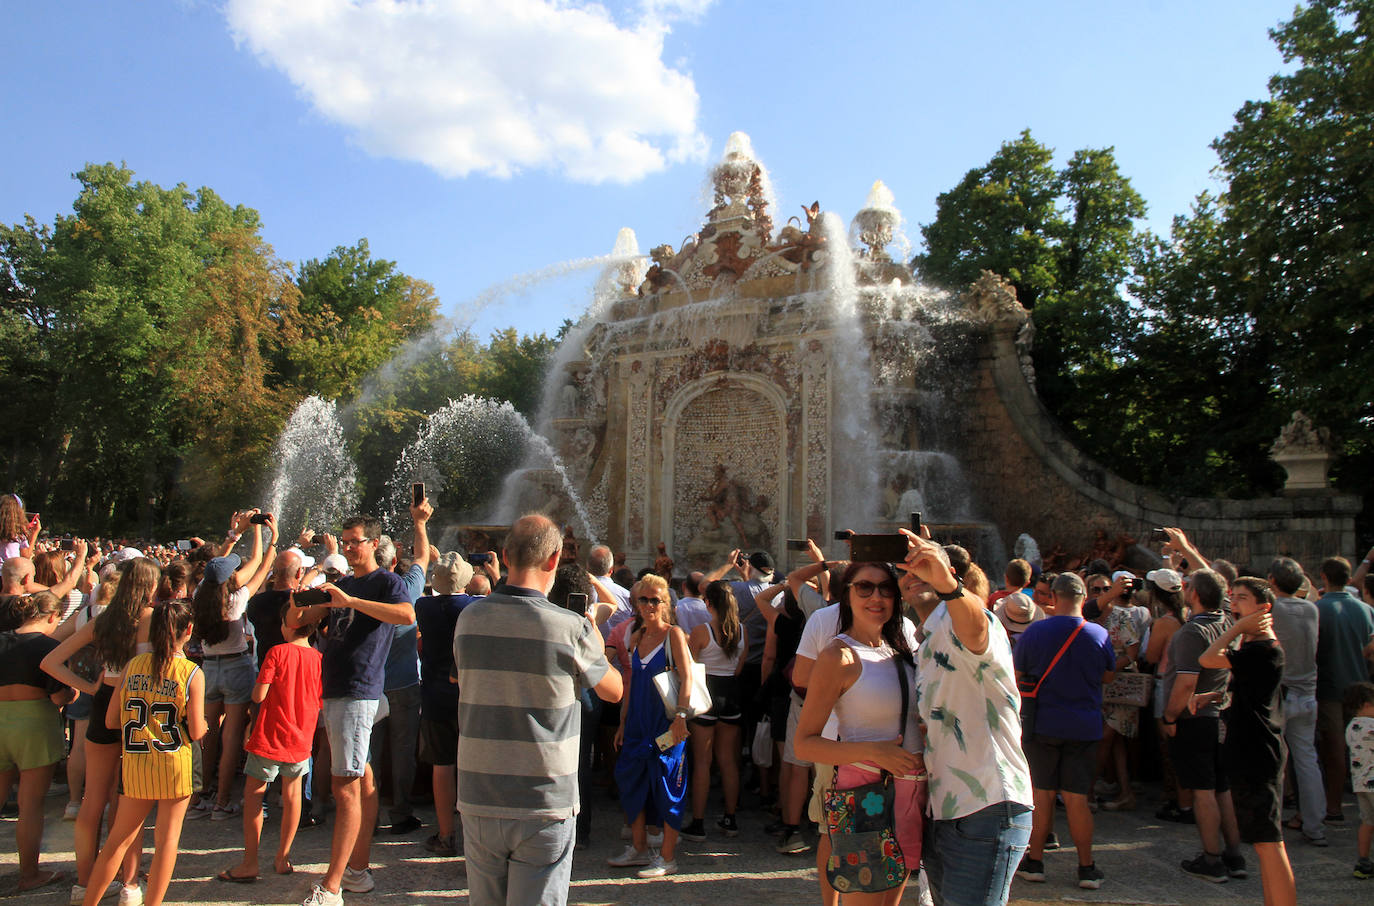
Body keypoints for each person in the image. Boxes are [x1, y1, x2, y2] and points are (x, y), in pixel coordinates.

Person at [452, 513, 622, 906]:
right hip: (543, 799)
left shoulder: (468, 619)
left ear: (506, 556)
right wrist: (592, 632)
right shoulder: (569, 628)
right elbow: (613, 691)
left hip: (479, 794)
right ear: (554, 560)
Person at [287, 515, 416, 906]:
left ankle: (332, 885)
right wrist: (301, 595)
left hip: (359, 691)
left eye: (355, 541)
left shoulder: (387, 582)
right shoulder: (342, 583)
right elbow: (295, 626)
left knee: (345, 785)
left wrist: (351, 602)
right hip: (339, 689)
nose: (348, 547)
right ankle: (357, 872)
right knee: (361, 779)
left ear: (374, 543)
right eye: (345, 542)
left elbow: (407, 616)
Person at [900, 529, 1033, 906]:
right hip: (945, 808)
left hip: (987, 803)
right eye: (906, 571)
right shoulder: (926, 640)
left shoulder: (970, 619)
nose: (912, 576)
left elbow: (975, 628)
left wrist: (946, 583)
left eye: (922, 570)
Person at [794, 561, 926, 906]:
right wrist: (874, 751)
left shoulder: (900, 648)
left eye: (885, 588)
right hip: (865, 790)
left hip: (908, 789)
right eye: (864, 587)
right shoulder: (837, 656)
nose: (876, 596)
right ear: (847, 595)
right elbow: (805, 743)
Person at [43, 557, 160, 906]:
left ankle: (85, 881)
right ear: (150, 587)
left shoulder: (102, 619)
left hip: (104, 698)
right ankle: (129, 885)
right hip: (139, 705)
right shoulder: (151, 619)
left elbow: (49, 660)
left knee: (93, 799)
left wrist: (90, 688)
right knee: (131, 799)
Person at [81, 599, 206, 906]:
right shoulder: (191, 672)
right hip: (175, 762)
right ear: (188, 630)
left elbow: (111, 720)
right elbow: (198, 729)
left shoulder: (131, 666)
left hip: (137, 762)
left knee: (118, 842)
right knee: (166, 843)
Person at [1194, 576, 1295, 905]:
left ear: (1262, 609)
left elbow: (1208, 658)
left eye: (1242, 599)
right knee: (1264, 843)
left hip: (1258, 752)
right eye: (1232, 597)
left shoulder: (1262, 647)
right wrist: (1214, 695)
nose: (1233, 604)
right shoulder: (1255, 649)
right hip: (1251, 749)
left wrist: (1236, 629)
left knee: (1269, 843)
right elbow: (1253, 690)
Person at [1013, 573, 1116, 890]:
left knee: (1041, 796)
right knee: (1077, 799)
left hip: (1042, 723)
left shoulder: (1035, 632)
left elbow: (1018, 675)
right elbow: (1109, 676)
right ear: (1084, 597)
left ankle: (1035, 862)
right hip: (1084, 726)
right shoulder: (1098, 634)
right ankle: (1086, 867)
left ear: (1054, 598)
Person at [219, 601, 323, 883]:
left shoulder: (277, 652)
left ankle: (250, 861)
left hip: (270, 735)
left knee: (254, 795)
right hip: (301, 738)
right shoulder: (318, 658)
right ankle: (283, 857)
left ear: (287, 626)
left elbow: (258, 695)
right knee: (293, 796)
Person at [1161, 567, 1247, 883]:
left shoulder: (1191, 633)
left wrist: (1169, 716)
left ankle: (1212, 859)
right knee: (1221, 787)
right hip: (1220, 714)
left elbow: (1185, 684)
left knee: (1203, 790)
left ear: (1194, 594)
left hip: (1194, 718)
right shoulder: (1227, 622)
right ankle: (1234, 855)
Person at [189, 511, 272, 821]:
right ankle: (223, 801)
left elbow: (214, 570)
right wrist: (263, 534)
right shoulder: (236, 599)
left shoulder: (199, 595)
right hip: (236, 667)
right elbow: (261, 564)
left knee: (206, 735)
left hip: (208, 668)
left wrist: (234, 534)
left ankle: (199, 797)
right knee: (231, 736)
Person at [608, 574, 692, 879]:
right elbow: (631, 685)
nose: (648, 605)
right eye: (643, 599)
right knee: (632, 782)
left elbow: (688, 678)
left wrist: (681, 716)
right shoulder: (636, 636)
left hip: (667, 724)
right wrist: (622, 721)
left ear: (665, 602)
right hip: (637, 724)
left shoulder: (674, 635)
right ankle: (639, 847)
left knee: (669, 786)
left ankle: (668, 857)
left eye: (655, 599)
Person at [0, 591, 77, 892]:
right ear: (52, 617)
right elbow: (59, 696)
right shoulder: (48, 647)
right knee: (30, 805)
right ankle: (29, 873)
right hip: (34, 722)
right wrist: (74, 693)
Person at [414, 550, 475, 856]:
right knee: (472, 767)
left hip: (435, 695)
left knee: (443, 765)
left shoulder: (423, 606)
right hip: (469, 696)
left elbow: (429, 592)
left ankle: (446, 834)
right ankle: (476, 835)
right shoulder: (475, 606)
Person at [681, 579, 748, 841]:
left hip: (707, 695)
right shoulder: (742, 631)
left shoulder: (702, 631)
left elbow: (690, 666)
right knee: (728, 762)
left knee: (703, 763)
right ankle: (730, 819)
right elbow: (740, 667)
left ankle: (698, 822)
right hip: (731, 696)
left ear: (708, 603)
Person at [1266, 556, 1326, 846]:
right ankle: (1315, 825)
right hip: (1307, 692)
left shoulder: (1273, 609)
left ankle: (1271, 824)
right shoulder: (1311, 610)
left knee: (1275, 761)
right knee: (1307, 760)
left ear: (1272, 582)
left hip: (1281, 692)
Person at [1313, 557, 1374, 823]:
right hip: (1360, 688)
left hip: (1329, 688)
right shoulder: (1365, 610)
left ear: (1324, 577)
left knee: (1335, 749)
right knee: (1366, 749)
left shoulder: (1316, 609)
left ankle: (1334, 807)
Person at [1093, 571, 1143, 812]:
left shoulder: (1122, 617)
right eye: (1096, 590)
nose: (1102, 594)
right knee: (1114, 743)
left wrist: (1107, 670)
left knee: (1106, 737)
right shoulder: (1088, 617)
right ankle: (1126, 793)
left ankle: (1088, 792)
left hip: (1120, 685)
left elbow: (1132, 653)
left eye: (1106, 588)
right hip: (1098, 686)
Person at [1343, 681, 1374, 879]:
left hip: (1361, 784)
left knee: (1367, 822)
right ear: (1365, 704)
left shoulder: (1351, 727)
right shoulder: (1370, 726)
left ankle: (1363, 863)